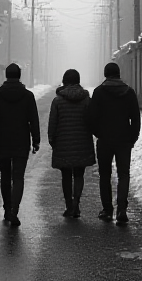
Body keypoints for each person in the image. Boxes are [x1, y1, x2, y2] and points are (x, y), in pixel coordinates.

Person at [0, 63, 40, 227]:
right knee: (18, 177)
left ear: (6, 75)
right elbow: (34, 120)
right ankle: (14, 210)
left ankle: (7, 208)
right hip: (21, 142)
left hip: (2, 141)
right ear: (20, 75)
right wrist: (36, 140)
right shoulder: (28, 96)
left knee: (5, 176)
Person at [88, 62, 141, 224]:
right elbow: (136, 119)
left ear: (105, 74)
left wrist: (99, 133)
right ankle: (122, 209)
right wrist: (132, 138)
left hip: (105, 140)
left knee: (105, 175)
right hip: (124, 140)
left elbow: (91, 118)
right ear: (119, 74)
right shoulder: (129, 92)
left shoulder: (99, 92)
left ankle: (107, 210)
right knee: (123, 174)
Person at [47, 68, 94, 219]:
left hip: (63, 142)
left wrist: (52, 140)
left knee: (66, 175)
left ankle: (68, 205)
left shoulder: (58, 100)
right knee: (79, 174)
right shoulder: (86, 99)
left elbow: (52, 123)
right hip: (82, 142)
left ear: (64, 81)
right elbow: (91, 121)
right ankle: (76, 204)